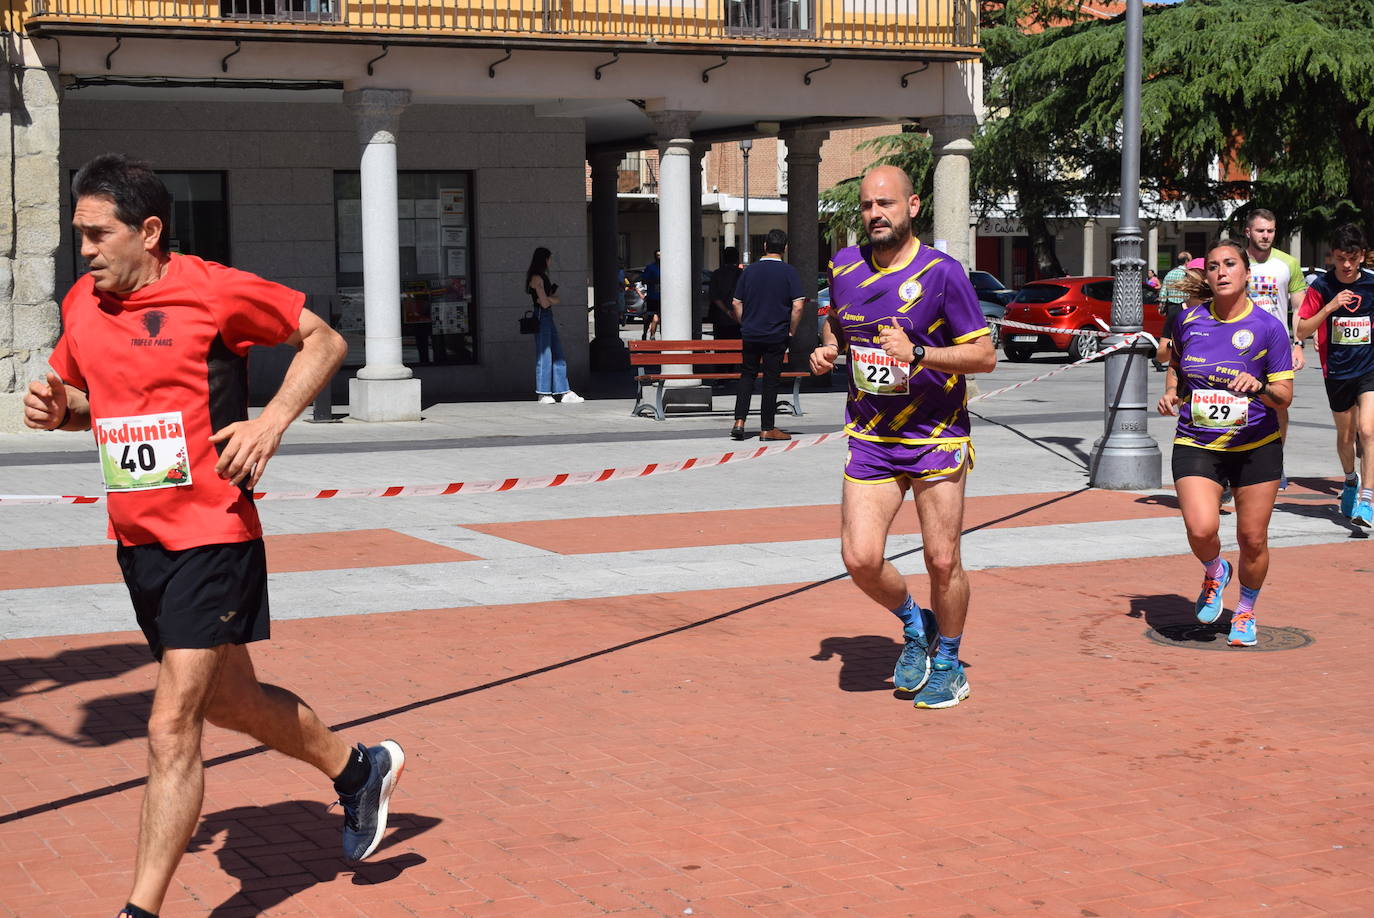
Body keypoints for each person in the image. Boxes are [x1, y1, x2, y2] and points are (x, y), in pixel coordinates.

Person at [22, 154, 404, 918]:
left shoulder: (210, 289)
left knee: (171, 725)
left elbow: (322, 340)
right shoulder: (82, 303)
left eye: (99, 235)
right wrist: (54, 409)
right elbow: (92, 402)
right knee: (235, 702)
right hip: (139, 542)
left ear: (149, 231)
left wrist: (269, 423)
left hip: (213, 532)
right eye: (79, 236)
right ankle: (358, 769)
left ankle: (140, 910)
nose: (86, 250)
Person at [809, 165, 996, 708]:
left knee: (943, 561)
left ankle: (950, 662)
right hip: (870, 436)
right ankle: (918, 626)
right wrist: (828, 351)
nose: (875, 215)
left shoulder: (943, 273)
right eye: (868, 206)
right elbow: (838, 327)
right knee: (860, 558)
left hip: (935, 436)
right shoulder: (843, 266)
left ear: (913, 206)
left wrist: (918, 352)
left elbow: (983, 355)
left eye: (886, 204)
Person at [1155, 239, 1295, 647]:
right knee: (1201, 529)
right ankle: (1215, 569)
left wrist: (1260, 385)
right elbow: (1178, 369)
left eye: (1230, 264)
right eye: (1214, 265)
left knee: (1253, 539)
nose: (1221, 272)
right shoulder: (1189, 320)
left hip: (1256, 444)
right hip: (1197, 441)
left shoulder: (1269, 327)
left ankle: (1247, 610)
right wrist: (1171, 393)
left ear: (1246, 273)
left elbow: (1284, 395)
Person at [1294, 223, 1374, 525]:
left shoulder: (1371, 284)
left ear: (1362, 256)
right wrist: (1329, 307)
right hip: (1338, 370)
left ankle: (1367, 501)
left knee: (1368, 430)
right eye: (1341, 258)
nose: (1347, 265)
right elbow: (1301, 329)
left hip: (1369, 367)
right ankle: (1350, 479)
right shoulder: (1322, 287)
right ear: (1333, 257)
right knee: (1345, 437)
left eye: (1353, 257)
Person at [1244, 209, 1308, 488]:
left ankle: (1275, 462)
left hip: (1277, 347)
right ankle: (1233, 462)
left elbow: (1300, 308)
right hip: (1241, 346)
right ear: (1248, 232)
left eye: (1270, 230)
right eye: (1261, 231)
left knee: (1279, 404)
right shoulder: (1236, 261)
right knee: (1238, 404)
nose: (1266, 236)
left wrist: (1299, 344)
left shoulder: (1288, 263)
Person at [730, 229, 804, 442]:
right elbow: (798, 305)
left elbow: (736, 302)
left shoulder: (749, 271)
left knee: (747, 375)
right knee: (771, 380)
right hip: (776, 334)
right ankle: (767, 428)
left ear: (764, 246)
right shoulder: (789, 272)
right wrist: (792, 330)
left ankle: (739, 421)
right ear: (786, 248)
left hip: (751, 333)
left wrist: (745, 323)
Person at [526, 246, 583, 404]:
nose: (550, 262)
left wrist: (550, 299)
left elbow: (551, 299)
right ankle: (544, 393)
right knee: (545, 354)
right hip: (542, 315)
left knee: (557, 353)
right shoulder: (537, 277)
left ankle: (563, 391)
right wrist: (550, 299)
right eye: (549, 258)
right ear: (544, 259)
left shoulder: (541, 277)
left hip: (546, 316)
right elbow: (545, 303)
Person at [708, 246, 744, 342]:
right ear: (737, 258)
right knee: (737, 349)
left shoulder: (716, 274)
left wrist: (727, 311)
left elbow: (714, 296)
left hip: (721, 319)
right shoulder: (742, 274)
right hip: (738, 319)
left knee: (720, 348)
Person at [1160, 250, 1193, 325]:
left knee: (1171, 330)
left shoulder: (1170, 273)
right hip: (1185, 307)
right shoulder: (1188, 274)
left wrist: (1162, 305)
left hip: (1171, 307)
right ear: (1186, 261)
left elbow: (1163, 292)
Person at [641, 250, 662, 340]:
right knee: (649, 318)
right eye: (658, 255)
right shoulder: (650, 268)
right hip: (652, 297)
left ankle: (653, 336)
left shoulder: (667, 267)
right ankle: (645, 333)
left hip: (663, 298)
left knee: (657, 318)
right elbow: (644, 280)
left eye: (661, 255)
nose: (659, 258)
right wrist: (654, 281)